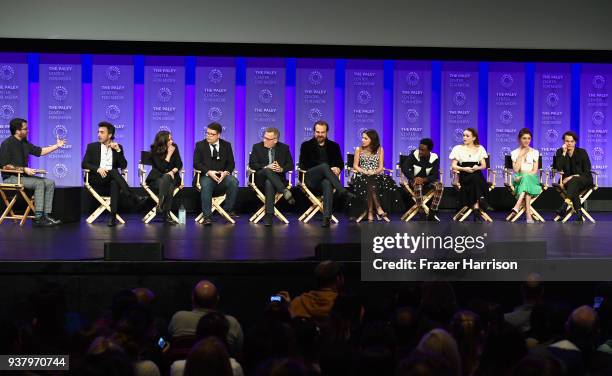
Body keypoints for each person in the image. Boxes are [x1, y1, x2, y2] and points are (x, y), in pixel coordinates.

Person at [0, 117, 65, 227]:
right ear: (17, 131)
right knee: (39, 183)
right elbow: (5, 166)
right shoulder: (7, 144)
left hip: (23, 177)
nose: (27, 130)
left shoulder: (24, 143)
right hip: (11, 178)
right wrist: (23, 169)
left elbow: (40, 151)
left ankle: (46, 215)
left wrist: (56, 146)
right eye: (25, 129)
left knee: (49, 183)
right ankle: (38, 217)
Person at [82, 121, 146, 227]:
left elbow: (124, 165)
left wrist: (118, 151)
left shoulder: (118, 147)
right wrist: (97, 168)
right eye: (98, 132)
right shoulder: (92, 147)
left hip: (111, 180)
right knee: (114, 172)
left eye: (102, 132)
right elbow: (84, 164)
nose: (99, 135)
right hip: (96, 180)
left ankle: (112, 218)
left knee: (114, 182)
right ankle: (134, 198)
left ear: (110, 135)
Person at [298, 120, 355, 227]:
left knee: (327, 183)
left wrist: (338, 168)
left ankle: (326, 218)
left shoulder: (334, 146)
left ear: (326, 132)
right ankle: (342, 191)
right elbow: (302, 165)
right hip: (310, 179)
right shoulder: (306, 145)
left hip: (327, 179)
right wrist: (323, 169)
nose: (320, 134)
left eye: (322, 132)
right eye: (317, 132)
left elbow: (340, 163)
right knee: (324, 166)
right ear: (314, 132)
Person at [168, 280, 244, 357]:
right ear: (217, 299)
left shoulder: (178, 318)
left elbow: (168, 345)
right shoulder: (232, 323)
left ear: (192, 298)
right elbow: (237, 353)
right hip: (219, 368)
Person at [347, 129, 401, 222]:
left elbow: (381, 167)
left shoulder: (380, 149)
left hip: (375, 175)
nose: (362, 140)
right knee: (368, 182)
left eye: (365, 138)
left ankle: (370, 213)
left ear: (372, 139)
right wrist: (364, 171)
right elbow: (355, 165)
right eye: (362, 138)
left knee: (372, 183)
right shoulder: (358, 149)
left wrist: (374, 172)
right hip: (361, 175)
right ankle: (378, 208)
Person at [193, 122, 239, 226]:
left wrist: (225, 172)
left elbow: (231, 163)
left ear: (218, 135)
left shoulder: (226, 145)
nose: (208, 136)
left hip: (221, 177)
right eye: (207, 133)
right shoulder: (200, 145)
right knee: (206, 184)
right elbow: (196, 164)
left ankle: (227, 210)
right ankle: (207, 217)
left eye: (211, 134)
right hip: (206, 176)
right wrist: (209, 172)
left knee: (233, 181)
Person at [248, 127, 295, 226]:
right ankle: (284, 190)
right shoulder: (257, 147)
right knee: (267, 170)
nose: (264, 140)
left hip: (277, 179)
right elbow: (252, 164)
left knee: (269, 183)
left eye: (268, 139)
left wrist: (281, 169)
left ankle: (269, 216)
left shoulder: (284, 148)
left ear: (275, 140)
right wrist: (266, 167)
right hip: (260, 178)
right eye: (264, 137)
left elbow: (290, 165)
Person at [449, 127, 491, 219]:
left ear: (474, 138)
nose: (464, 137)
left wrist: (477, 167)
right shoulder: (458, 148)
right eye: (463, 135)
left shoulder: (480, 148)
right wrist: (464, 168)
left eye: (467, 136)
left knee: (475, 177)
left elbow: (484, 165)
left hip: (477, 173)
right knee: (475, 179)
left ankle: (476, 207)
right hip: (464, 175)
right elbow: (453, 165)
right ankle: (479, 202)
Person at [553, 131, 593, 221]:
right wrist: (563, 153)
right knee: (573, 185)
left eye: (571, 141)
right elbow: (558, 168)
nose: (569, 143)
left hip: (584, 179)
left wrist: (571, 177)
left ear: (575, 142)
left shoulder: (582, 152)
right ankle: (579, 213)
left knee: (573, 180)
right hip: (569, 183)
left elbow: (587, 170)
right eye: (567, 141)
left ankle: (565, 206)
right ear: (564, 141)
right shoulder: (560, 152)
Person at [400, 137, 444, 221]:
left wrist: (423, 179)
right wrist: (414, 178)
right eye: (419, 149)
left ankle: (432, 212)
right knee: (417, 184)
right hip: (414, 180)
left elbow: (434, 175)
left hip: (428, 181)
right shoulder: (414, 155)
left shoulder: (434, 158)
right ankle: (421, 211)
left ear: (429, 150)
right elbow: (404, 167)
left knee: (439, 185)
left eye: (423, 150)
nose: (420, 151)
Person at [146, 130, 182, 225]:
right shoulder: (154, 149)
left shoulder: (175, 147)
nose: (171, 141)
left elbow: (179, 164)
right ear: (162, 141)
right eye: (169, 139)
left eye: (171, 138)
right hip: (157, 178)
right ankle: (166, 214)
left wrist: (173, 171)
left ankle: (160, 204)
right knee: (169, 186)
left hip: (173, 177)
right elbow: (161, 168)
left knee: (168, 180)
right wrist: (169, 155)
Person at [509, 128, 542, 224]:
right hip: (518, 178)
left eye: (529, 138)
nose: (527, 140)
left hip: (532, 178)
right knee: (526, 185)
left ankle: (517, 205)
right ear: (520, 139)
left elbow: (535, 170)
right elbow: (515, 170)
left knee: (526, 179)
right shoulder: (514, 153)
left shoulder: (535, 152)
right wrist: (521, 155)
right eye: (524, 138)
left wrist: (525, 176)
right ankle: (528, 213)